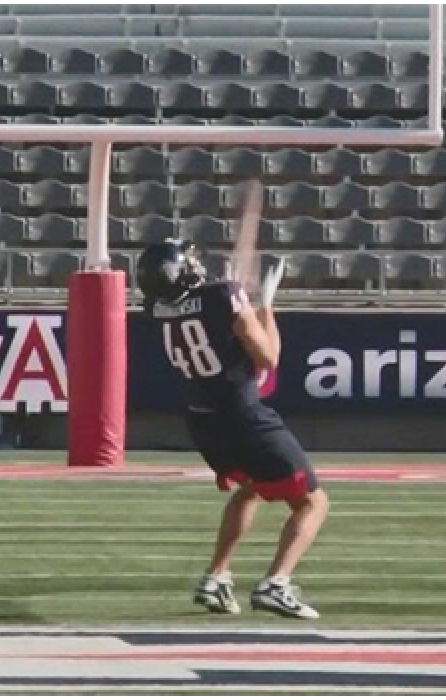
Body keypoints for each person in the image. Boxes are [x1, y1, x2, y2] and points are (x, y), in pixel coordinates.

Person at [137, 239, 328, 620]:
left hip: (203, 420)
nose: (195, 264)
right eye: (187, 261)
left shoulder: (156, 308)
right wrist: (267, 306)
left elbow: (203, 310)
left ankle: (216, 577)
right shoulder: (222, 296)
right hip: (242, 415)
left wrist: (238, 299)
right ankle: (277, 583)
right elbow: (268, 358)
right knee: (313, 502)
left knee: (251, 490)